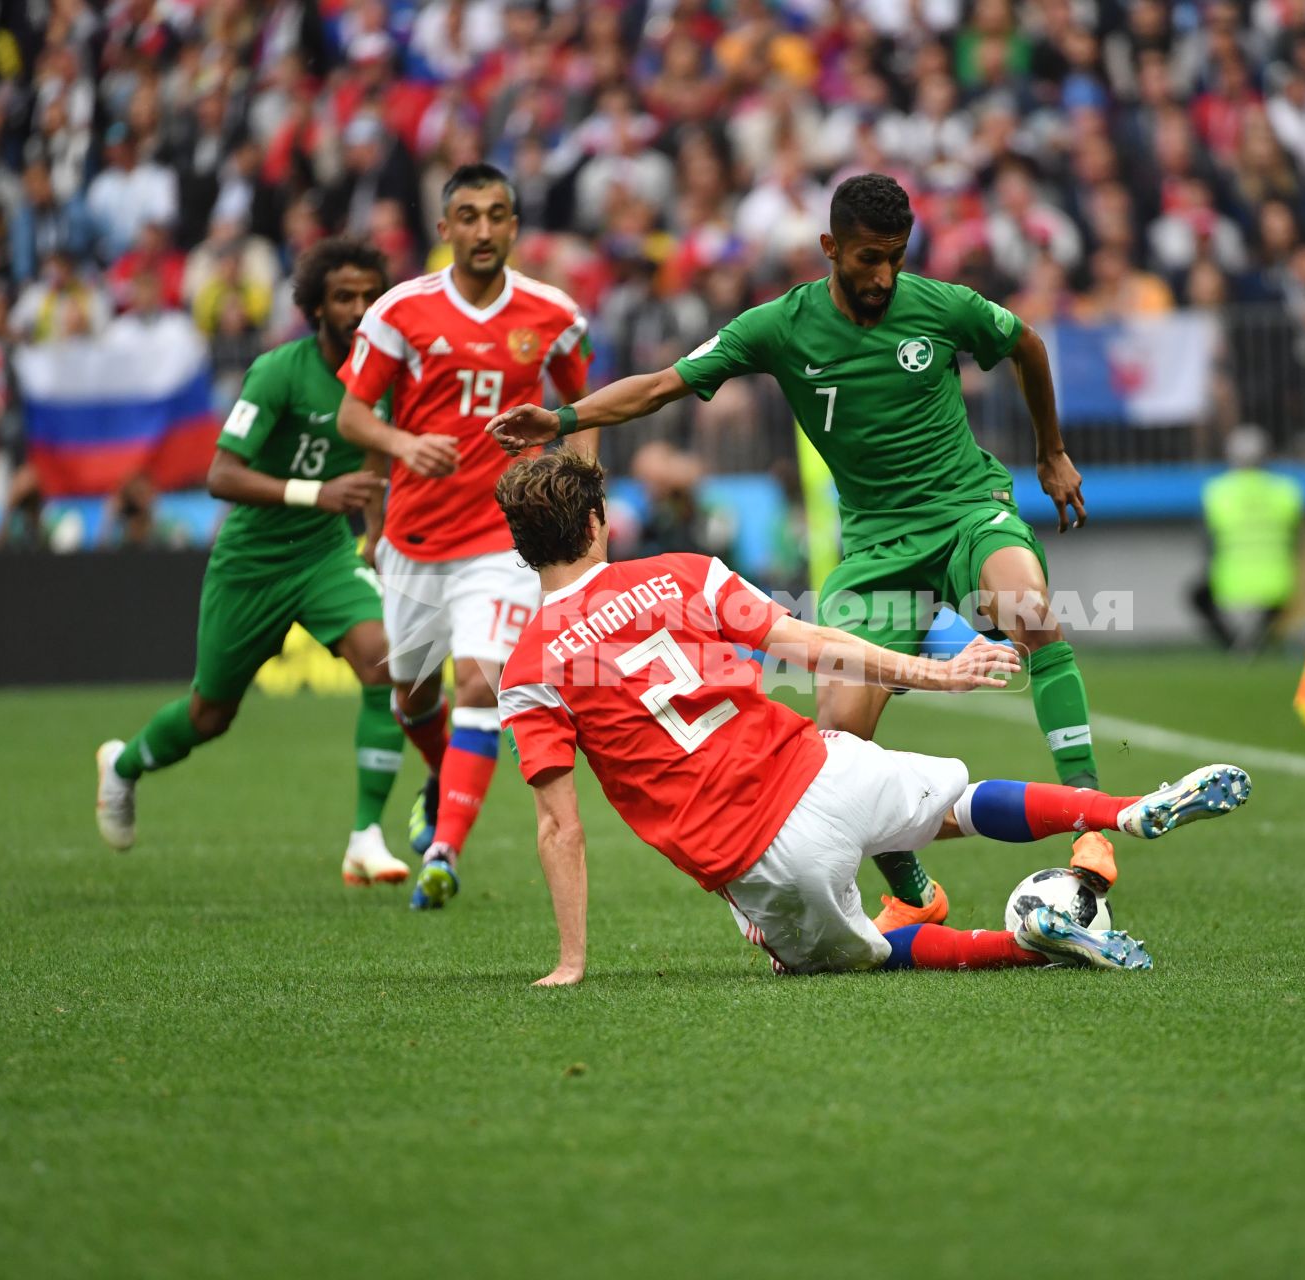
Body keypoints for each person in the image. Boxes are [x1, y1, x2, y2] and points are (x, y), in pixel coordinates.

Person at [488, 172, 1096, 938]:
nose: (883, 277)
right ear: (829, 248)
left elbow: (1027, 345)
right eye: (868, 259)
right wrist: (564, 415)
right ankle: (912, 890)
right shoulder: (779, 326)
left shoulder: (941, 306)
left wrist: (1052, 453)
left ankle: (1091, 828)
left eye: (896, 259)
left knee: (1030, 613)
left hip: (967, 507)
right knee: (838, 729)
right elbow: (662, 387)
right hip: (876, 543)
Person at [492, 452, 1252, 985]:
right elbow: (816, 643)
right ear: (597, 522)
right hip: (819, 765)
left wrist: (571, 960)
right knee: (957, 803)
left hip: (758, 857)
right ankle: (1122, 809)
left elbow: (561, 826)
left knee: (873, 955)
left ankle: (1026, 947)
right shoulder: (680, 571)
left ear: (523, 548)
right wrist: (939, 670)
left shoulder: (529, 666)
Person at [94, 238, 410, 887]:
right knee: (211, 714)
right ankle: (124, 767)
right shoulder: (277, 372)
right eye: (343, 297)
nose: (358, 308)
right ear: (315, 307)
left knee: (387, 660)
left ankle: (365, 836)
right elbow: (221, 475)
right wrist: (315, 494)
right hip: (252, 563)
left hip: (324, 554)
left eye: (370, 296)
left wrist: (376, 538)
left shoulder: (385, 379)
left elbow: (375, 468)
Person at [336, 163, 595, 911]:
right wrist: (403, 444)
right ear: (444, 228)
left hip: (501, 536)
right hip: (413, 541)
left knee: (481, 680)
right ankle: (440, 775)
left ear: (515, 225)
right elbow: (354, 417)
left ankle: (444, 849)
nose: (484, 230)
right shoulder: (399, 312)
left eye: (498, 215)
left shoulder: (554, 315)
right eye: (469, 216)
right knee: (410, 694)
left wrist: (586, 519)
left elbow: (584, 411)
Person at [1193, 426, 1303, 651]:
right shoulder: (1286, 490)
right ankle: (1257, 638)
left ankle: (1232, 643)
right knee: (1279, 596)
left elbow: (1207, 543)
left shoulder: (1217, 491)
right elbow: (1296, 540)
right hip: (1279, 583)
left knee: (1197, 595)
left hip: (1229, 582)